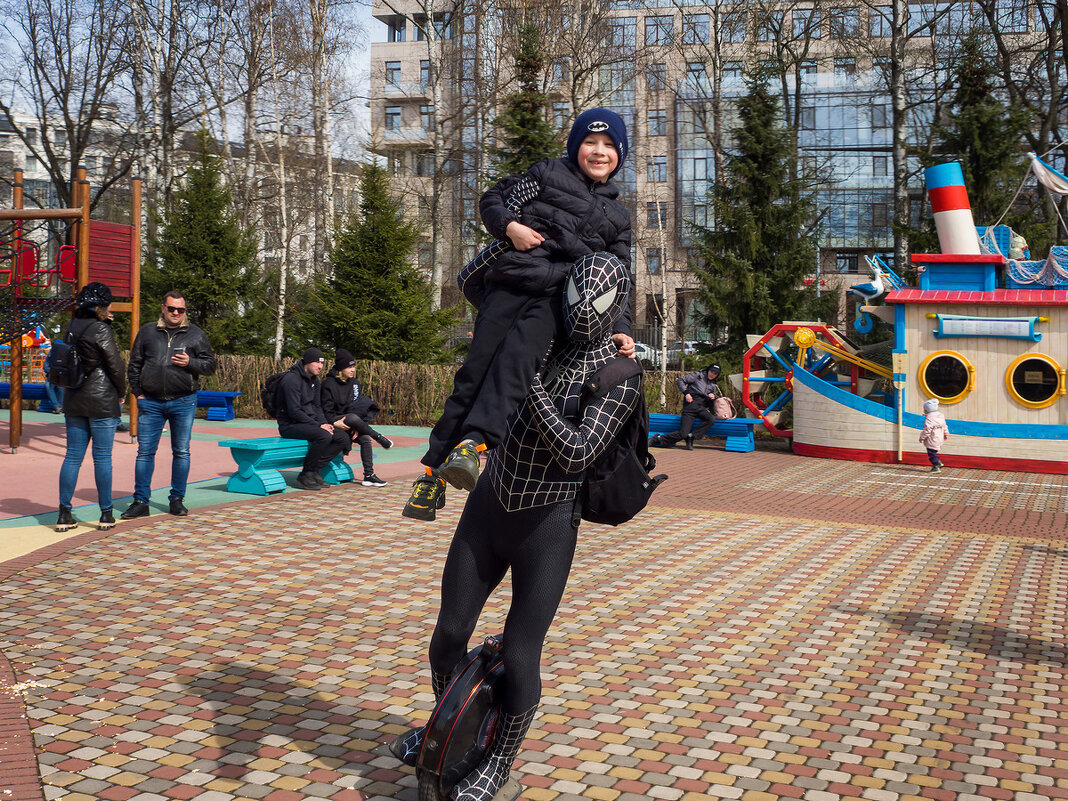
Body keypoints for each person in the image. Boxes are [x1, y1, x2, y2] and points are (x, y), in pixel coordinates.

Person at [390, 253, 639, 801]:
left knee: (523, 651)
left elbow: (578, 453)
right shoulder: (534, 337)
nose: (582, 311)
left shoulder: (620, 373)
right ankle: (451, 731)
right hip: (489, 506)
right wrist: (520, 238)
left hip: (547, 524)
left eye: (596, 303)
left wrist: (533, 392)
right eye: (574, 295)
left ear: (617, 306)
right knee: (449, 634)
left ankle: (498, 761)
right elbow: (475, 280)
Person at [403, 108, 635, 521]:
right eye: (590, 143)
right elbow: (492, 198)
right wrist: (510, 227)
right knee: (474, 373)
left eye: (609, 146)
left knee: (513, 371)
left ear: (620, 154)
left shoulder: (618, 217)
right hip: (512, 282)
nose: (599, 152)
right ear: (576, 146)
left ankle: (472, 447)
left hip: (555, 301)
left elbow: (620, 278)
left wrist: (620, 329)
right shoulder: (546, 173)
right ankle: (430, 474)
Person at [123, 291, 216, 519]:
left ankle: (177, 499)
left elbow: (211, 365)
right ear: (162, 308)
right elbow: (134, 364)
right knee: (145, 452)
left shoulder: (195, 334)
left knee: (181, 452)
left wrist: (191, 362)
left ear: (185, 311)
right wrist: (138, 393)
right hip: (151, 402)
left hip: (183, 401)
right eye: (171, 308)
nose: (176, 313)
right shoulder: (147, 332)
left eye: (180, 310)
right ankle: (140, 501)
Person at [55, 282, 126, 532]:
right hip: (102, 399)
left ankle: (64, 514)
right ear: (99, 307)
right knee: (102, 458)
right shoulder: (100, 329)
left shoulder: (72, 325)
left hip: (74, 398)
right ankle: (106, 513)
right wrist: (122, 391)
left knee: (73, 457)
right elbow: (114, 365)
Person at [276, 347, 350, 491]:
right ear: (307, 362)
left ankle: (315, 470)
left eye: (322, 363)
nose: (320, 366)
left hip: (309, 424)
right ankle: (305, 474)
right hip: (290, 425)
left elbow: (317, 407)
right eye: (317, 362)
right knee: (323, 436)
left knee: (342, 438)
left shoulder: (315, 381)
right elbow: (294, 411)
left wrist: (324, 423)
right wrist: (318, 426)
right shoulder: (291, 380)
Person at [319, 348, 393, 488]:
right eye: (349, 366)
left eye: (354, 366)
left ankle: (369, 475)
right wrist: (336, 422)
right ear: (341, 368)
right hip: (333, 421)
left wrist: (357, 427)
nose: (353, 369)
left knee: (365, 438)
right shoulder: (328, 384)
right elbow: (325, 411)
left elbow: (357, 406)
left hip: (351, 421)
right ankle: (378, 437)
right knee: (352, 417)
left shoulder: (354, 383)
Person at [652, 363, 722, 450]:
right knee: (683, 434)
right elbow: (680, 381)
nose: (712, 374)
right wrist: (686, 393)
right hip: (690, 406)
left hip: (701, 407)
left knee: (711, 419)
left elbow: (710, 404)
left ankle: (691, 436)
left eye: (715, 374)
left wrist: (712, 398)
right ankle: (659, 438)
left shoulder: (713, 385)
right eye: (712, 371)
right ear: (708, 370)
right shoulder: (698, 375)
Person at [920, 398, 949, 473]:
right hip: (940, 436)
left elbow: (927, 430)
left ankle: (936, 465)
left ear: (927, 410)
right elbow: (945, 426)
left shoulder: (929, 418)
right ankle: (938, 462)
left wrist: (922, 437)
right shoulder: (940, 416)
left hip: (932, 437)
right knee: (934, 451)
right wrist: (946, 434)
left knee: (931, 452)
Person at [43, 346, 63, 413]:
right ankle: (57, 406)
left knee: (60, 388)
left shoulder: (63, 354)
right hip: (53, 375)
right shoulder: (51, 354)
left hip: (60, 375)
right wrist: (49, 370)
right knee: (50, 386)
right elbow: (46, 365)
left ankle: (59, 406)